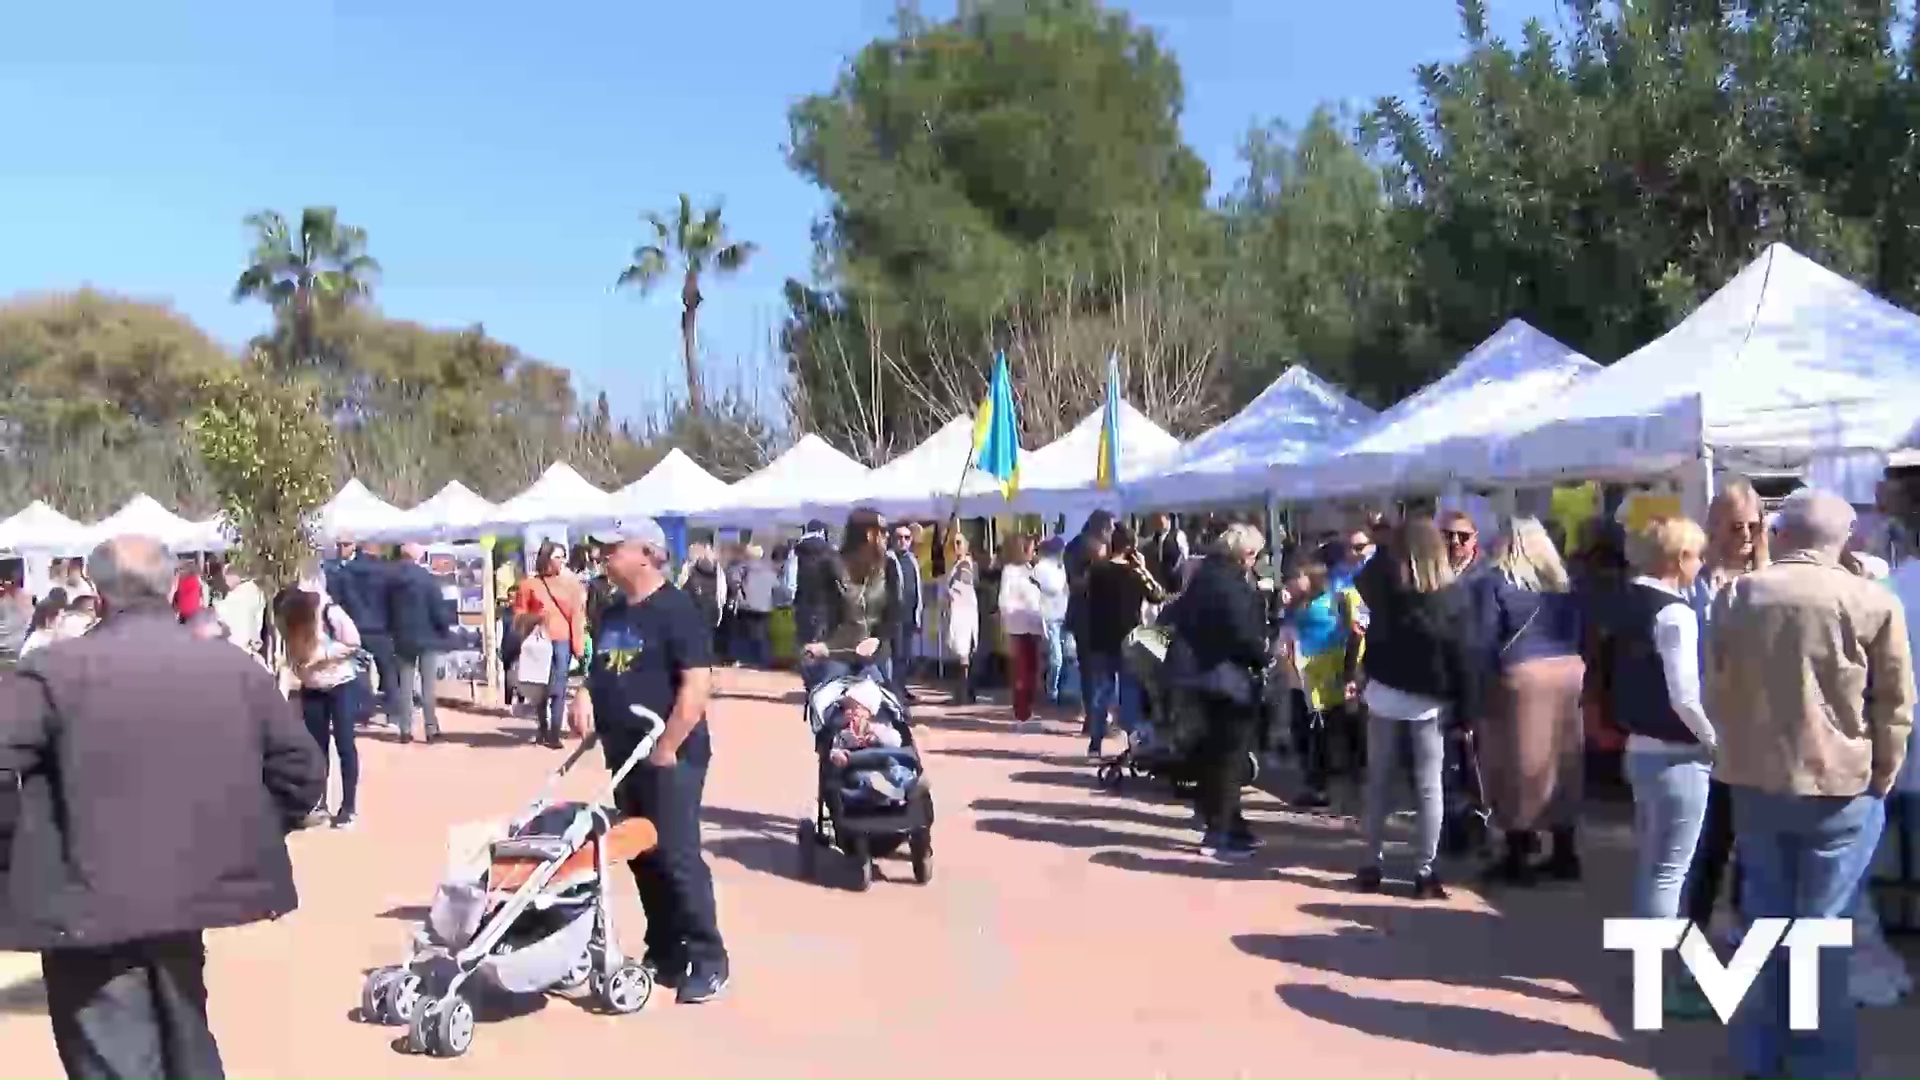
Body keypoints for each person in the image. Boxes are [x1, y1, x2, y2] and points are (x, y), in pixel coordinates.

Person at [0, 534, 324, 1079]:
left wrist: (22, 845)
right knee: (187, 1044)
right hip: (183, 896)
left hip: (87, 907)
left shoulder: (53, 671)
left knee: (123, 1057)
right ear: (174, 588)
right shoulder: (233, 668)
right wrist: (238, 833)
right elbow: (303, 776)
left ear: (98, 594)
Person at [1706, 489, 1914, 1079]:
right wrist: (1883, 774)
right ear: (1841, 539)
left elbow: (1717, 687)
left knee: (1766, 919)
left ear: (1786, 534)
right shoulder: (1871, 601)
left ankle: (1761, 1055)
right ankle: (1819, 1061)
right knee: (1822, 928)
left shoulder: (1738, 595)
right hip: (1840, 783)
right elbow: (1896, 705)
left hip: (1755, 779)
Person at [583, 517, 727, 1003]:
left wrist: (668, 746)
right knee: (642, 854)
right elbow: (601, 670)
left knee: (677, 855)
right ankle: (665, 949)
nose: (602, 555)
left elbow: (696, 685)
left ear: (646, 553)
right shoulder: (613, 611)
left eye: (612, 548)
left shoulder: (677, 610)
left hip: (670, 756)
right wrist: (586, 698)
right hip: (623, 755)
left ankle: (708, 959)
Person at [1354, 516, 1483, 899]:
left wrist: (1387, 537)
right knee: (1429, 789)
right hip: (1429, 699)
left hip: (1384, 692)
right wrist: (1467, 712)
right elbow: (1464, 659)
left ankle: (1370, 863)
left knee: (1379, 783)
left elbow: (1368, 574)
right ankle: (1424, 872)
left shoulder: (1384, 587)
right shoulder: (1452, 597)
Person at [1472, 515, 1586, 885]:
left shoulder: (1494, 581)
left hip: (1522, 674)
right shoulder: (1562, 583)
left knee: (1515, 764)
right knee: (1564, 761)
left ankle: (1518, 854)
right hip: (1568, 671)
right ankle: (1565, 851)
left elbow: (1486, 637)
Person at [1684, 478, 1769, 945]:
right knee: (1711, 841)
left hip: (1758, 728)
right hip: (1709, 729)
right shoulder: (1696, 585)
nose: (1746, 536)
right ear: (1713, 526)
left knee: (1752, 842)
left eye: (1753, 526)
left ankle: (1740, 924)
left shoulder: (1770, 582)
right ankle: (1693, 931)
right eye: (1735, 526)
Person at [1163, 523, 1270, 859]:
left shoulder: (1203, 575)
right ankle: (1219, 832)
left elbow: (1173, 613)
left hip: (1194, 675)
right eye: (1254, 554)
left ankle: (1228, 823)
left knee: (1212, 753)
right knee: (1228, 756)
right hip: (1223, 677)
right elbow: (1243, 634)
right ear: (1245, 553)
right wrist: (1263, 654)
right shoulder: (1231, 585)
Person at [1277, 557, 1363, 809]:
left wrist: (1285, 605)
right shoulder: (1306, 605)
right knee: (1315, 732)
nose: (1290, 582)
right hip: (1306, 679)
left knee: (1316, 733)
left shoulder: (1320, 606)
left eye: (1296, 577)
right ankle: (1323, 781)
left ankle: (1319, 786)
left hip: (1318, 680)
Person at [280, 586, 364, 828]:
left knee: (345, 744)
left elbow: (353, 642)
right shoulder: (290, 624)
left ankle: (348, 807)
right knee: (316, 749)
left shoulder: (329, 612)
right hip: (312, 688)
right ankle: (319, 802)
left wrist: (324, 655)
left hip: (340, 684)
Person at [1082, 524, 1167, 756]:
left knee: (1102, 691)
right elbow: (1158, 595)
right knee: (1129, 691)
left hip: (1100, 637)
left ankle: (1095, 743)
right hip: (1129, 637)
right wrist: (1143, 568)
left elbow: (1086, 597)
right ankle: (1133, 742)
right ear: (1131, 547)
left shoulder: (1097, 570)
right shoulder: (1134, 573)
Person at [800, 509, 901, 687]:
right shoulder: (830, 566)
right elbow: (816, 609)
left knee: (892, 709)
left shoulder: (889, 566)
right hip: (835, 655)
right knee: (828, 706)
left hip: (874, 655)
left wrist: (878, 638)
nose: (887, 537)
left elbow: (894, 611)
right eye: (884, 532)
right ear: (870, 535)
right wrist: (818, 644)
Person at [513, 541, 587, 749]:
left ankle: (554, 733)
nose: (562, 561)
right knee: (540, 686)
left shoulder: (571, 585)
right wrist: (533, 618)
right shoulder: (529, 584)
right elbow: (518, 614)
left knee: (559, 687)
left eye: (563, 557)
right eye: (557, 556)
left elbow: (577, 616)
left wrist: (578, 646)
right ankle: (542, 728)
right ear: (545, 558)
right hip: (539, 641)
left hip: (562, 641)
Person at [388, 543, 456, 744]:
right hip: (427, 637)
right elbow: (437, 609)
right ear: (418, 557)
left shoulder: (391, 580)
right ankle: (430, 729)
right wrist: (444, 630)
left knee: (405, 686)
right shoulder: (427, 580)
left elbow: (386, 608)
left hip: (401, 637)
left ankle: (405, 729)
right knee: (428, 687)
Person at [1065, 511, 1116, 731]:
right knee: (1092, 668)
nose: (1112, 533)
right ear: (1101, 528)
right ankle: (1094, 718)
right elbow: (1075, 583)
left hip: (1094, 615)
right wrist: (1097, 568)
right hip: (1086, 615)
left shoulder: (1091, 547)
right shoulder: (1079, 548)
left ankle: (1095, 717)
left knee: (1094, 669)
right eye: (1110, 528)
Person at [828, 678, 916, 806]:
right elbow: (834, 750)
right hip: (862, 770)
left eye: (855, 708)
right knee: (857, 777)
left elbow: (895, 741)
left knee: (892, 761)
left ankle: (902, 786)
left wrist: (874, 733)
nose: (849, 712)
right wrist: (838, 753)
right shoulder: (843, 733)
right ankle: (889, 794)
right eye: (847, 709)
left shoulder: (880, 727)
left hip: (883, 767)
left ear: (869, 712)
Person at [340, 543, 399, 728]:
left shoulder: (348, 571)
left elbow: (343, 599)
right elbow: (392, 601)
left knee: (359, 671)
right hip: (381, 628)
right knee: (388, 671)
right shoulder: (387, 572)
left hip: (356, 626)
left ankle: (363, 712)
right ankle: (393, 715)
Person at [997, 534, 1046, 730]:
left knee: (1033, 671)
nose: (1033, 553)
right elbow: (1004, 600)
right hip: (1018, 628)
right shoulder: (1010, 571)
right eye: (1030, 549)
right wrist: (1009, 618)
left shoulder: (1032, 570)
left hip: (1034, 626)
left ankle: (1028, 710)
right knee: (1021, 672)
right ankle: (1021, 713)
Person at [789, 520, 842, 691]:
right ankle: (821, 683)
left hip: (803, 606)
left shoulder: (795, 553)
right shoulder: (831, 553)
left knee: (805, 645)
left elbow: (789, 584)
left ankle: (810, 683)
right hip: (825, 607)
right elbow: (841, 582)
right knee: (823, 645)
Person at [942, 529, 980, 704]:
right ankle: (964, 692)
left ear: (966, 546)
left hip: (964, 611)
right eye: (953, 543)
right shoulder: (957, 564)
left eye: (959, 542)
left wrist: (951, 591)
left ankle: (963, 693)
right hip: (960, 610)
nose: (956, 546)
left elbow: (964, 584)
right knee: (961, 654)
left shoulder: (965, 565)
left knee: (963, 652)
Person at [1034, 536, 1072, 705]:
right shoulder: (1041, 568)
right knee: (1056, 658)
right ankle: (1052, 692)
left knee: (1067, 657)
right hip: (1050, 618)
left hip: (1064, 616)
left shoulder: (1062, 567)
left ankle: (1060, 690)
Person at [888, 523, 924, 698]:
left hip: (910, 614)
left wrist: (918, 614)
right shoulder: (888, 559)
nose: (903, 541)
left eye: (907, 538)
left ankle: (901, 687)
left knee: (906, 656)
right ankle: (895, 691)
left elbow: (918, 588)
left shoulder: (912, 560)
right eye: (899, 538)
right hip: (895, 616)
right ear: (893, 540)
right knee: (896, 655)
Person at [733, 544, 779, 669]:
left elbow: (733, 583)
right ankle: (762, 661)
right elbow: (776, 586)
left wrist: (740, 598)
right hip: (765, 607)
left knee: (746, 634)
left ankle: (746, 659)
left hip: (747, 607)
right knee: (763, 634)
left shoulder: (742, 568)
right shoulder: (770, 569)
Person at [210, 561, 266, 659]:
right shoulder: (256, 592)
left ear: (229, 578)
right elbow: (258, 620)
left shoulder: (225, 604)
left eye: (224, 579)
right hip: (251, 649)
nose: (225, 583)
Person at [1145, 513, 1189, 594]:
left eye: (1158, 518)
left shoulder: (1177, 535)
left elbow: (1184, 557)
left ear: (1167, 519)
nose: (1155, 522)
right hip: (1158, 584)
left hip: (1174, 582)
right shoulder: (1152, 540)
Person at [170, 557, 206, 622]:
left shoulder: (190, 581)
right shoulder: (192, 580)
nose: (179, 571)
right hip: (188, 614)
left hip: (190, 614)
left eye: (181, 569)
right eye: (178, 569)